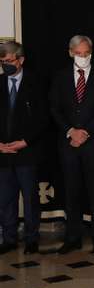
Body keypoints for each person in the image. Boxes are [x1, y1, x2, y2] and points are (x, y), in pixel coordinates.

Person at [49, 35, 94, 254]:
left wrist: (86, 131)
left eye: (87, 53)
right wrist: (70, 131)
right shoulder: (59, 77)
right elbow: (55, 109)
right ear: (70, 53)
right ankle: (73, 238)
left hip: (93, 142)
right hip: (68, 143)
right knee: (71, 191)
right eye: (79, 53)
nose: (83, 57)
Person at [0, 41, 48, 255]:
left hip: (27, 151)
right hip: (3, 152)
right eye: (2, 62)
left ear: (21, 60)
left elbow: (43, 119)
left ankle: (31, 239)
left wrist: (25, 141)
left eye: (9, 61)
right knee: (5, 198)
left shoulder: (36, 83)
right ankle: (9, 238)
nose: (5, 65)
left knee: (29, 197)